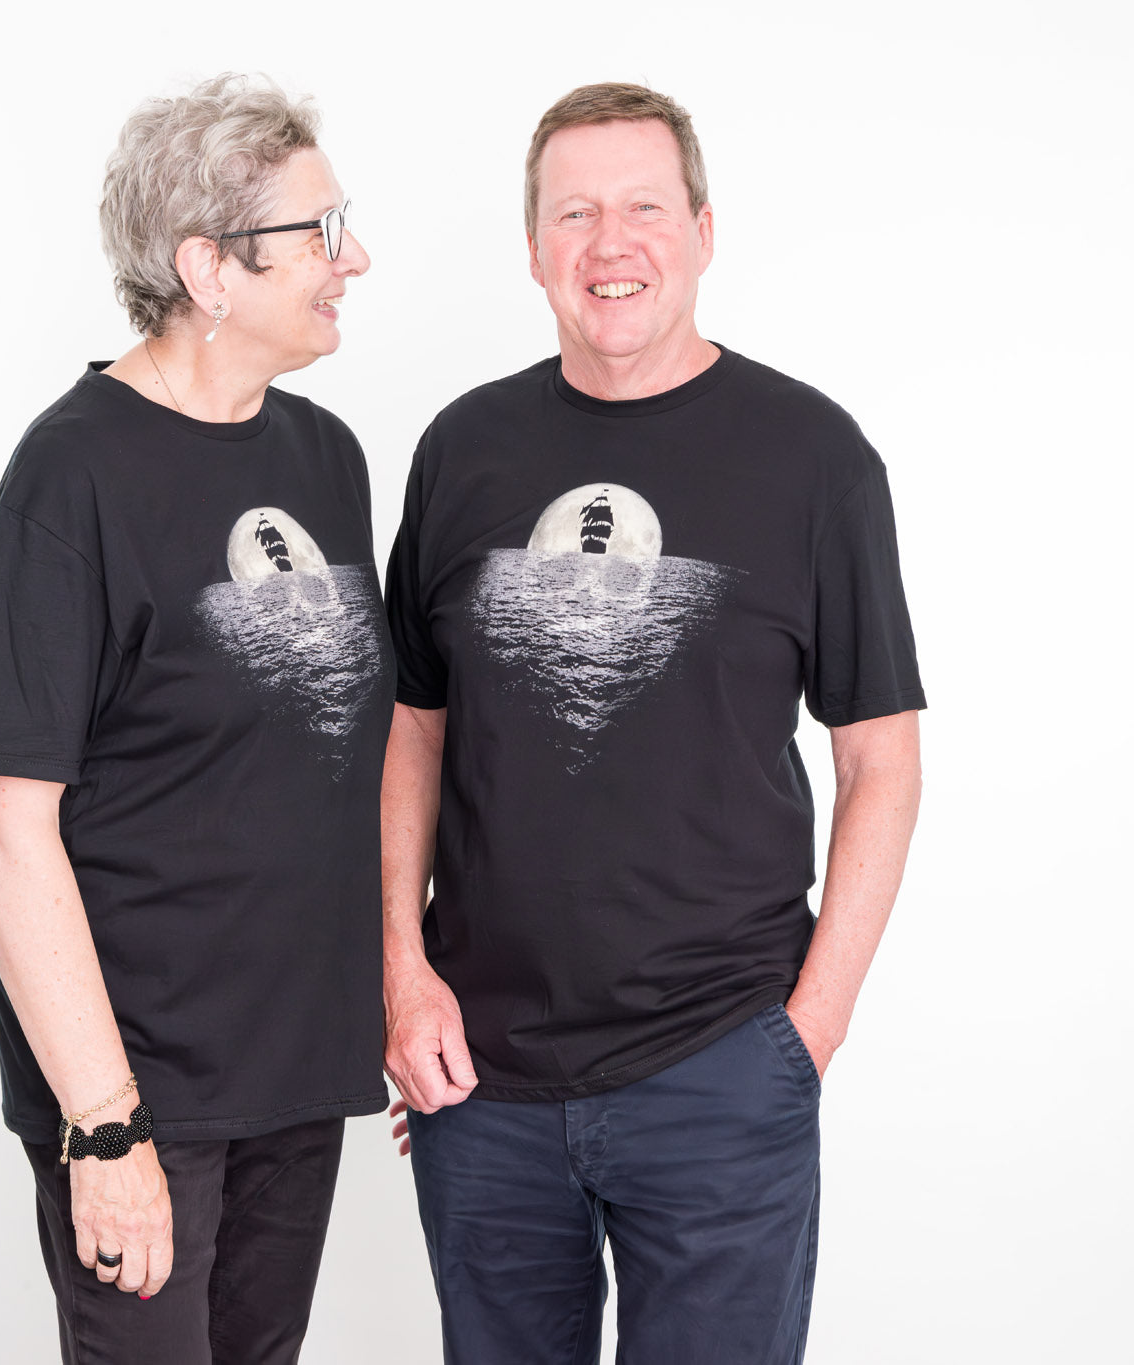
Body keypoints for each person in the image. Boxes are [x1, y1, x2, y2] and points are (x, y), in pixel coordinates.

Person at [382, 82, 925, 1364]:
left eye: (641, 208)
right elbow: (413, 725)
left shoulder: (814, 458)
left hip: (724, 1067)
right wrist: (402, 976)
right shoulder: (465, 450)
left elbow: (881, 758)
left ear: (702, 229)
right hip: (484, 1084)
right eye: (574, 213)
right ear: (532, 249)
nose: (608, 244)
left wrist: (811, 1033)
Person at [0, 74, 392, 1365]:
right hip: (142, 1091)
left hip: (296, 1074)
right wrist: (102, 1127)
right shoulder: (71, 474)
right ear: (207, 266)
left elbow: (330, 755)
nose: (350, 258)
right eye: (315, 232)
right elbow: (2, 818)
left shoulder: (326, 459)